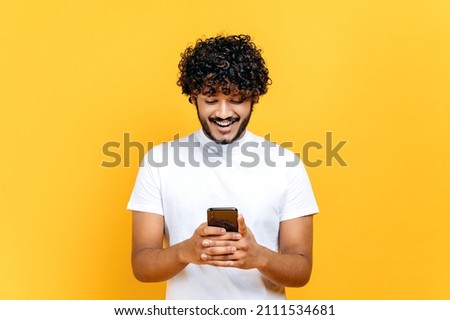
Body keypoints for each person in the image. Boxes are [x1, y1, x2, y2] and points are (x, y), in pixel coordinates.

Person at [127, 34, 319, 300]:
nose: (224, 113)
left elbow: (301, 270)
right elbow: (142, 265)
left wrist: (259, 257)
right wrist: (187, 251)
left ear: (254, 98)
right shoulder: (158, 163)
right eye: (211, 98)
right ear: (193, 97)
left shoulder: (287, 166)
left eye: (237, 98)